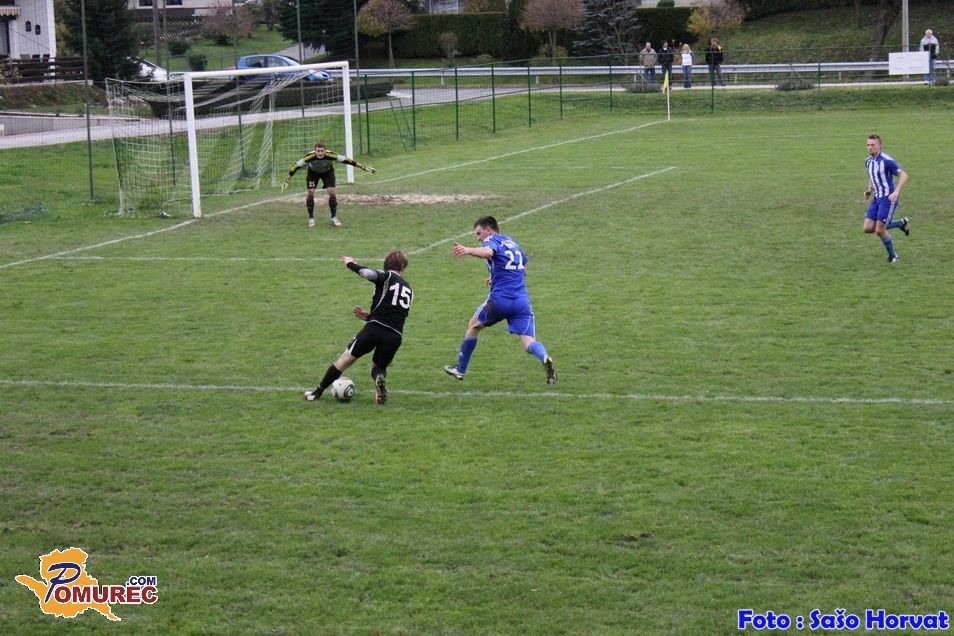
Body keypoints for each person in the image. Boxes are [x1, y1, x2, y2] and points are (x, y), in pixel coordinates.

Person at [444, 216, 556, 386]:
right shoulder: (512, 243)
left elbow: (489, 252)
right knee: (528, 342)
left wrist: (467, 250)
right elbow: (523, 269)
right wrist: (496, 275)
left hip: (500, 300)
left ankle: (460, 369)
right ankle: (545, 357)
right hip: (521, 303)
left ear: (489, 230)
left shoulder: (491, 240)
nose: (478, 238)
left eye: (479, 233)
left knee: (473, 326)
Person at [304, 251, 413, 405]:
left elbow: (368, 273)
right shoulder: (409, 289)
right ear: (402, 267)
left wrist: (350, 263)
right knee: (378, 366)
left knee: (345, 359)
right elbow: (394, 313)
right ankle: (379, 378)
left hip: (374, 329)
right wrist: (369, 316)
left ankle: (316, 393)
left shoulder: (387, 276)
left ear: (386, 265)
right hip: (395, 335)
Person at [282, 141, 376, 228]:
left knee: (332, 192)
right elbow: (296, 166)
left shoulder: (331, 155)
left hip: (327, 172)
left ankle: (334, 217)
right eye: (318, 151)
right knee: (310, 193)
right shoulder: (309, 157)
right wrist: (287, 180)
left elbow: (348, 160)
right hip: (313, 173)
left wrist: (363, 167)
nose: (320, 153)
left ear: (325, 151)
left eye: (322, 151)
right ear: (315, 151)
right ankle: (311, 218)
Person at [862, 134, 910, 263]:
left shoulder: (887, 161)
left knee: (879, 230)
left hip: (888, 198)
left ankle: (893, 256)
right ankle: (900, 223)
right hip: (877, 198)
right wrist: (869, 190)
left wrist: (896, 192)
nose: (870, 147)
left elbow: (904, 175)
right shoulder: (868, 161)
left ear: (880, 146)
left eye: (873, 145)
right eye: (868, 145)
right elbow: (872, 176)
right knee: (867, 228)